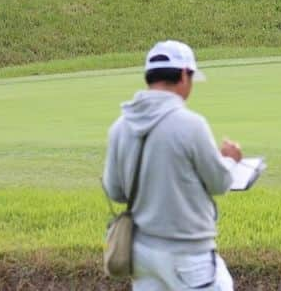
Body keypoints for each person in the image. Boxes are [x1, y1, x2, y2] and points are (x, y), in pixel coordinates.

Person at [103, 40, 241, 290]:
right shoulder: (190, 125)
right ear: (183, 76)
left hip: (143, 255)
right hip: (189, 255)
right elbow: (220, 183)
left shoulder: (119, 128)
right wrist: (230, 159)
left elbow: (115, 191)